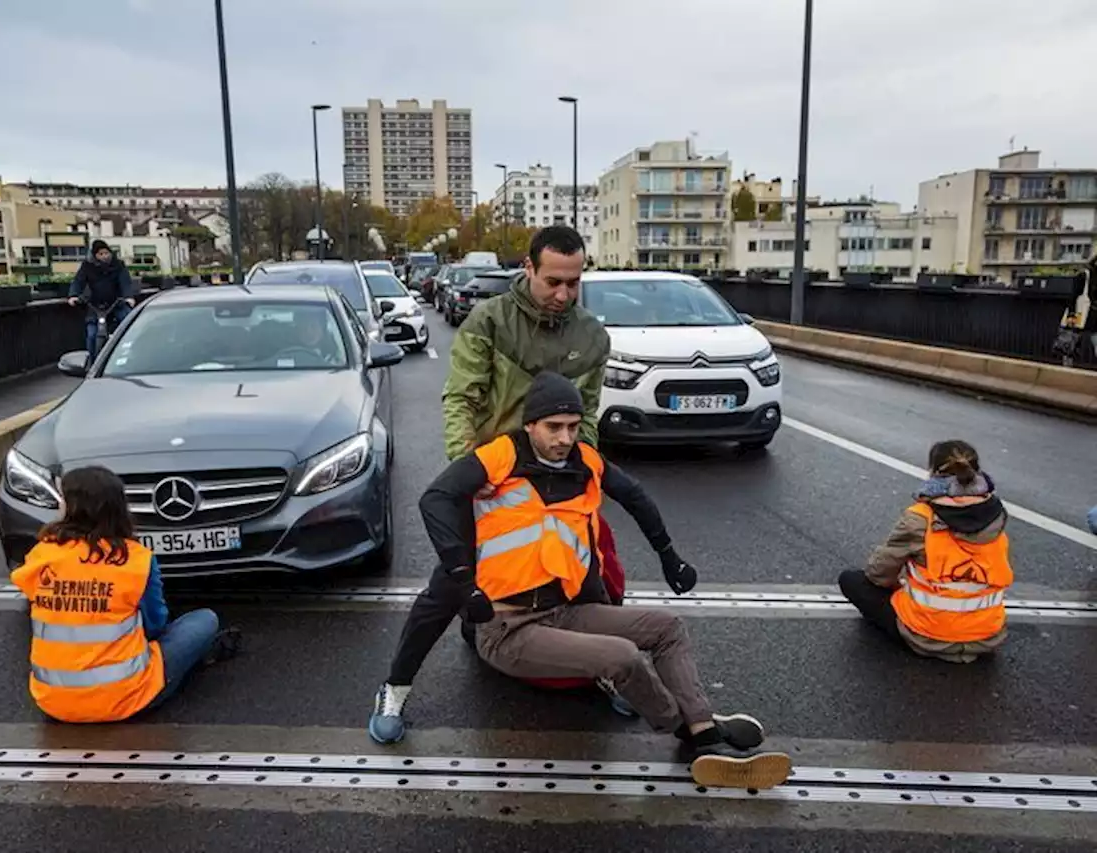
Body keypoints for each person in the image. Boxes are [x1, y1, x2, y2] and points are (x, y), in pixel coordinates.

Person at [391, 372, 792, 789]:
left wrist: (668, 556)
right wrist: (462, 578)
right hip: (507, 629)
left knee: (667, 627)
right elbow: (434, 498)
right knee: (621, 657)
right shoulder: (501, 456)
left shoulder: (584, 460)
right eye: (553, 427)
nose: (565, 438)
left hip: (562, 612)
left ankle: (703, 726)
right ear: (530, 425)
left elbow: (634, 495)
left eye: (572, 426)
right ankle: (691, 732)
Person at [369, 226, 621, 742]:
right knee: (450, 585)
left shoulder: (592, 336)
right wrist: (472, 473)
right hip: (493, 476)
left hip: (557, 480)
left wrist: (582, 468)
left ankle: (608, 669)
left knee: (586, 580)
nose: (563, 295)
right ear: (527, 268)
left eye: (574, 284)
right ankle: (395, 687)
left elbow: (588, 415)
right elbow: (461, 398)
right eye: (553, 281)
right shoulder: (489, 321)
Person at [9, 466, 241, 723]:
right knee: (204, 620)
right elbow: (156, 626)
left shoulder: (43, 555)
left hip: (53, 701)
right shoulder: (135, 560)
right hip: (127, 698)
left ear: (71, 508)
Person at [838, 440, 1013, 663]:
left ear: (933, 473)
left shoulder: (921, 517)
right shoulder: (997, 516)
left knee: (851, 580)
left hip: (927, 636)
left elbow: (878, 573)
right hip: (986, 636)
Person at [68, 240, 135, 365]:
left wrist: (128, 297)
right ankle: (92, 364)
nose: (105, 256)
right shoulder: (87, 266)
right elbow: (78, 281)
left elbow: (125, 281)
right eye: (101, 254)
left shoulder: (118, 265)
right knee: (92, 334)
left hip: (116, 304)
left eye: (106, 253)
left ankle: (132, 356)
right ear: (95, 256)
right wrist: (73, 295)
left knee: (128, 324)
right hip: (95, 306)